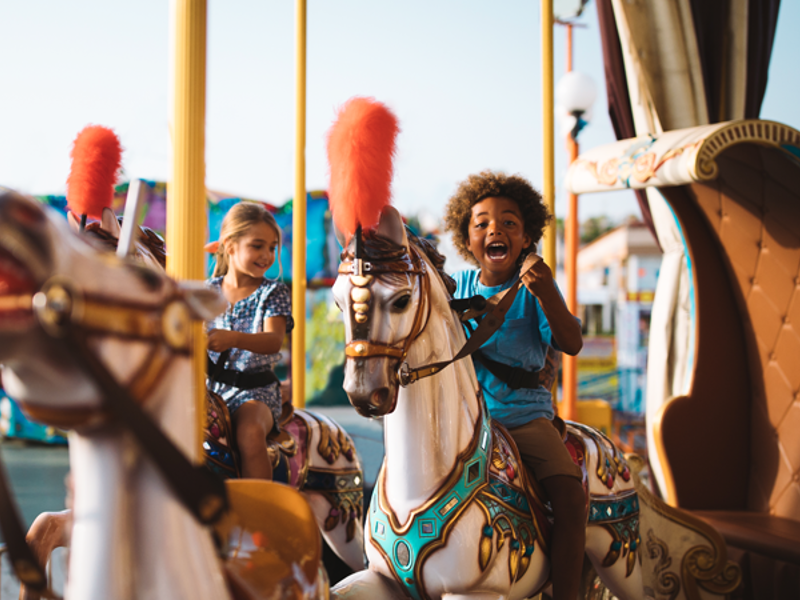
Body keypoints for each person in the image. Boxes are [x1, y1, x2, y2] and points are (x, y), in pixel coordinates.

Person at [444, 170, 585, 600]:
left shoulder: (533, 287)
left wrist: (547, 293)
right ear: (467, 240)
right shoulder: (458, 286)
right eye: (482, 222)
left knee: (569, 497)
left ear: (526, 238)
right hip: (466, 419)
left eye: (509, 222)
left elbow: (571, 342)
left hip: (522, 418)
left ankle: (566, 594)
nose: (494, 230)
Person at [206, 201, 292, 480]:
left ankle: (260, 515)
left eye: (271, 247)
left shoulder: (272, 292)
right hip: (210, 390)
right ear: (230, 246)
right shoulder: (208, 292)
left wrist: (233, 338)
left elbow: (273, 340)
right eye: (257, 246)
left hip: (255, 392)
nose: (267, 255)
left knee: (249, 433)